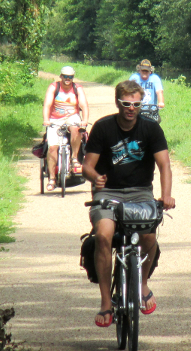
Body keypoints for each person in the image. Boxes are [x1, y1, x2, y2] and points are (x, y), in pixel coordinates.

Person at [82, 80, 176, 328]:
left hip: (141, 193)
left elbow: (164, 165)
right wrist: (95, 177)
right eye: (126, 104)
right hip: (108, 193)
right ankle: (105, 302)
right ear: (118, 103)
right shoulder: (103, 128)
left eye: (136, 104)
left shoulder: (151, 129)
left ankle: (143, 282)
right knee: (103, 235)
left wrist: (166, 195)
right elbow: (87, 166)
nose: (131, 108)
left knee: (149, 238)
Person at [42, 66, 89, 191]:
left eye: (70, 77)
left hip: (72, 116)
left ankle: (74, 158)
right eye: (65, 76)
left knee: (75, 128)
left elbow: (84, 105)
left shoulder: (77, 88)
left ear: (73, 78)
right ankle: (52, 178)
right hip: (55, 119)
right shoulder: (54, 87)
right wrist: (46, 120)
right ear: (61, 76)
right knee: (52, 147)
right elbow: (47, 104)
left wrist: (84, 121)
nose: (67, 79)